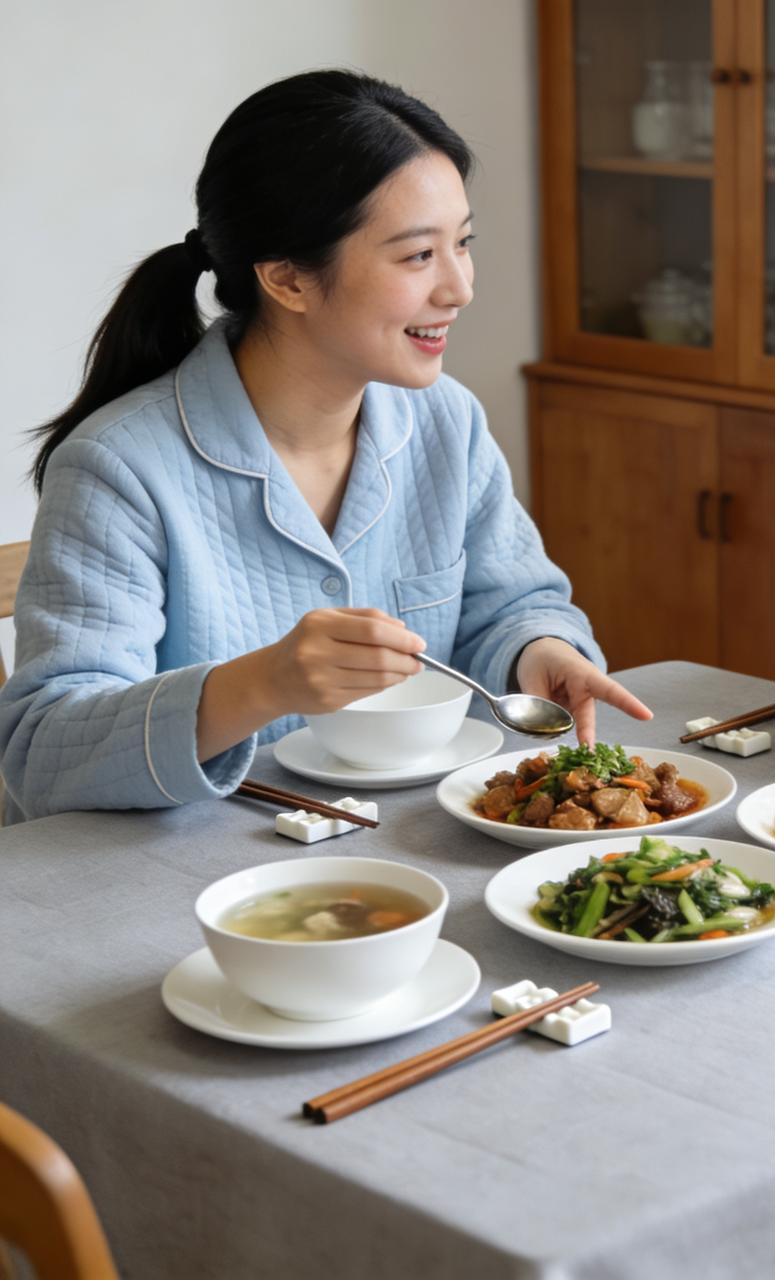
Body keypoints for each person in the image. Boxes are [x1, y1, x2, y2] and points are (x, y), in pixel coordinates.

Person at [0, 69, 650, 823]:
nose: (460, 288)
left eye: (463, 244)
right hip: (193, 893)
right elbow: (41, 754)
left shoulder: (446, 420)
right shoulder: (120, 466)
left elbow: (511, 605)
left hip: (406, 856)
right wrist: (262, 684)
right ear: (287, 278)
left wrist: (538, 652)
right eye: (417, 257)